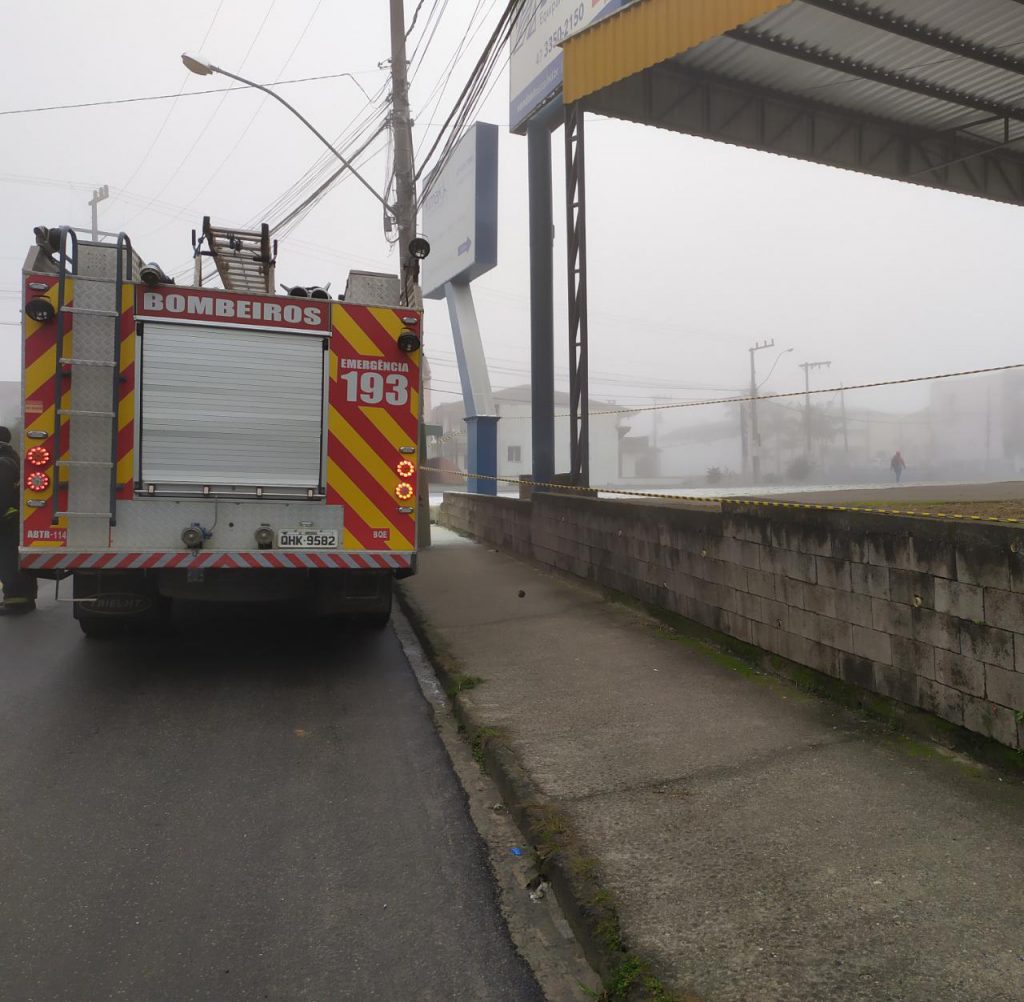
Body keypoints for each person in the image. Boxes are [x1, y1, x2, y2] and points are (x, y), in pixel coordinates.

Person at [0, 426, 37, 615]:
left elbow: (2, 495)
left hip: (8, 520)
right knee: (16, 559)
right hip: (15, 518)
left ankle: (16, 600)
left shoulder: (3, 462)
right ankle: (23, 598)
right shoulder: (11, 457)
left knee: (8, 560)